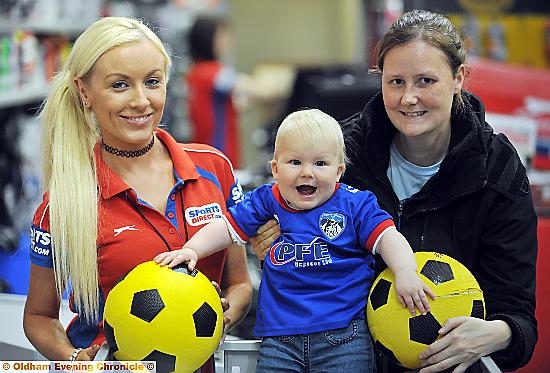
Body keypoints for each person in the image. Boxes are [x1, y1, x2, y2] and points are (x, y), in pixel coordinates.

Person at [250, 9, 538, 373]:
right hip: (345, 355)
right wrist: (273, 238)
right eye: (396, 81)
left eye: (426, 81)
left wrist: (498, 333)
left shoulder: (497, 170)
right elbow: (285, 217)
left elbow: (519, 317)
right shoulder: (340, 156)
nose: (408, 98)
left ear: (458, 78)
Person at [22, 16, 252, 372]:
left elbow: (238, 283)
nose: (141, 101)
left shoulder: (214, 169)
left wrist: (227, 312)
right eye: (119, 85)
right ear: (85, 92)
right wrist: (73, 360)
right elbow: (38, 316)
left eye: (152, 82)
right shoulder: (64, 201)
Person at [155, 108, 436, 372]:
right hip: (280, 341)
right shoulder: (267, 200)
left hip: (344, 337)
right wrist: (193, 248)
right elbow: (226, 227)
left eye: (320, 163)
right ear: (276, 169)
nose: (307, 172)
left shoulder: (354, 204)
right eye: (295, 162)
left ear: (339, 171)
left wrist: (405, 270)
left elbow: (388, 237)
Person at [186, 16, 266, 169]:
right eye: (221, 36)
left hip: (205, 154)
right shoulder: (214, 74)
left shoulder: (194, 72)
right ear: (208, 39)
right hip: (218, 154)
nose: (227, 41)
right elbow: (258, 89)